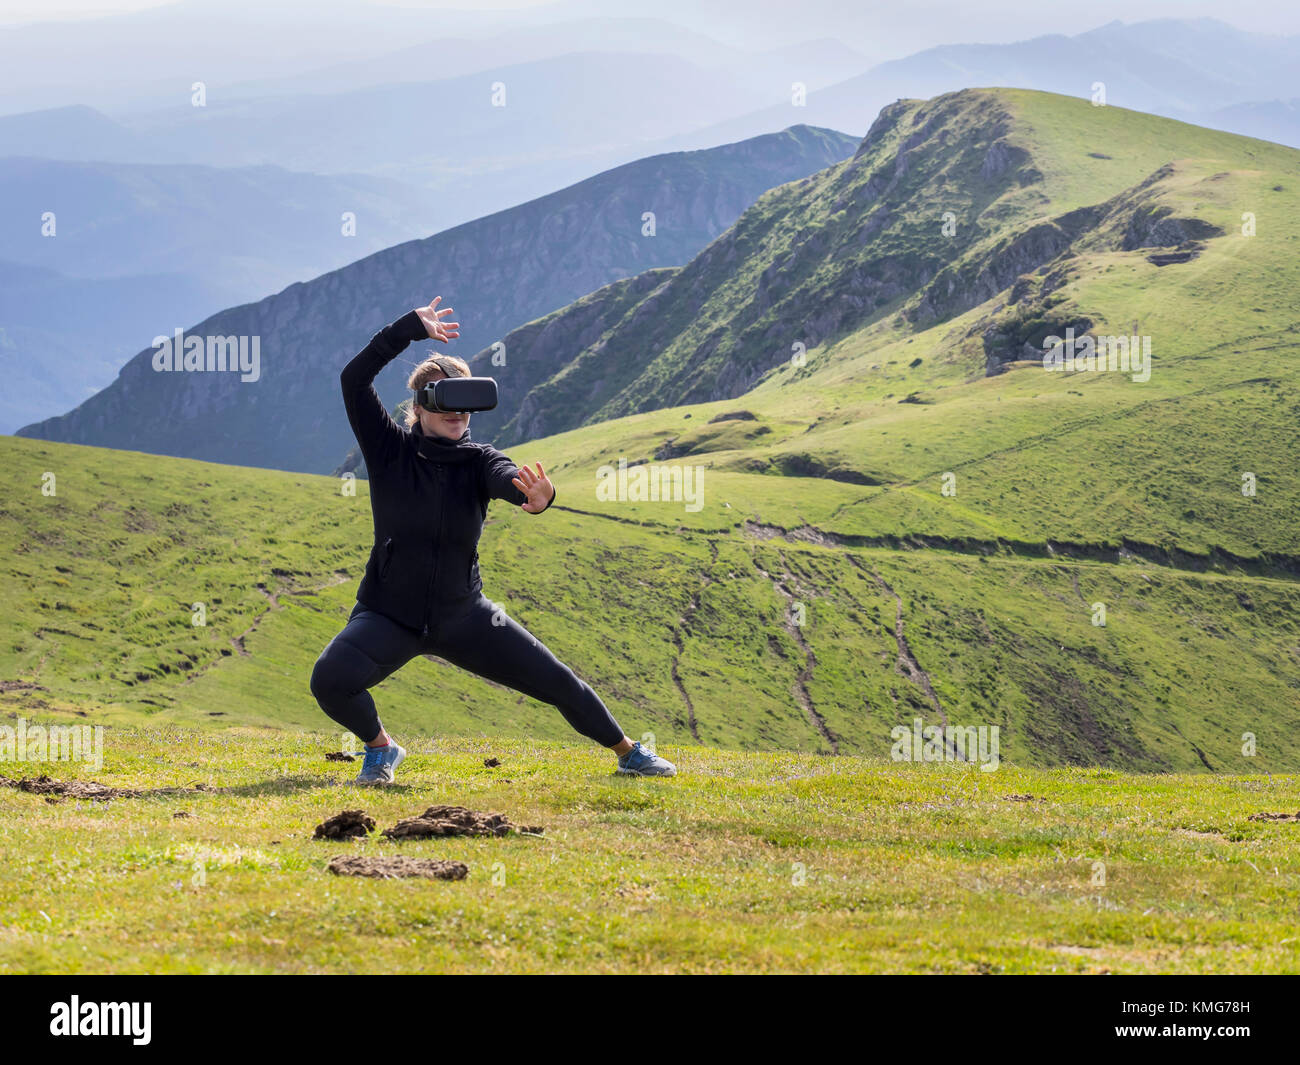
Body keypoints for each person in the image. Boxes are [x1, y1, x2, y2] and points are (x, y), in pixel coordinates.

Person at [310, 296, 677, 783]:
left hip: (463, 615)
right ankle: (381, 749)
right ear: (420, 407)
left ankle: (629, 753)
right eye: (445, 400)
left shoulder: (481, 459)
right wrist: (405, 330)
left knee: (557, 681)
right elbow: (353, 380)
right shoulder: (388, 450)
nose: (458, 413)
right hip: (388, 614)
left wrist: (538, 496)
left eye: (466, 402)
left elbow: (508, 478)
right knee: (330, 681)